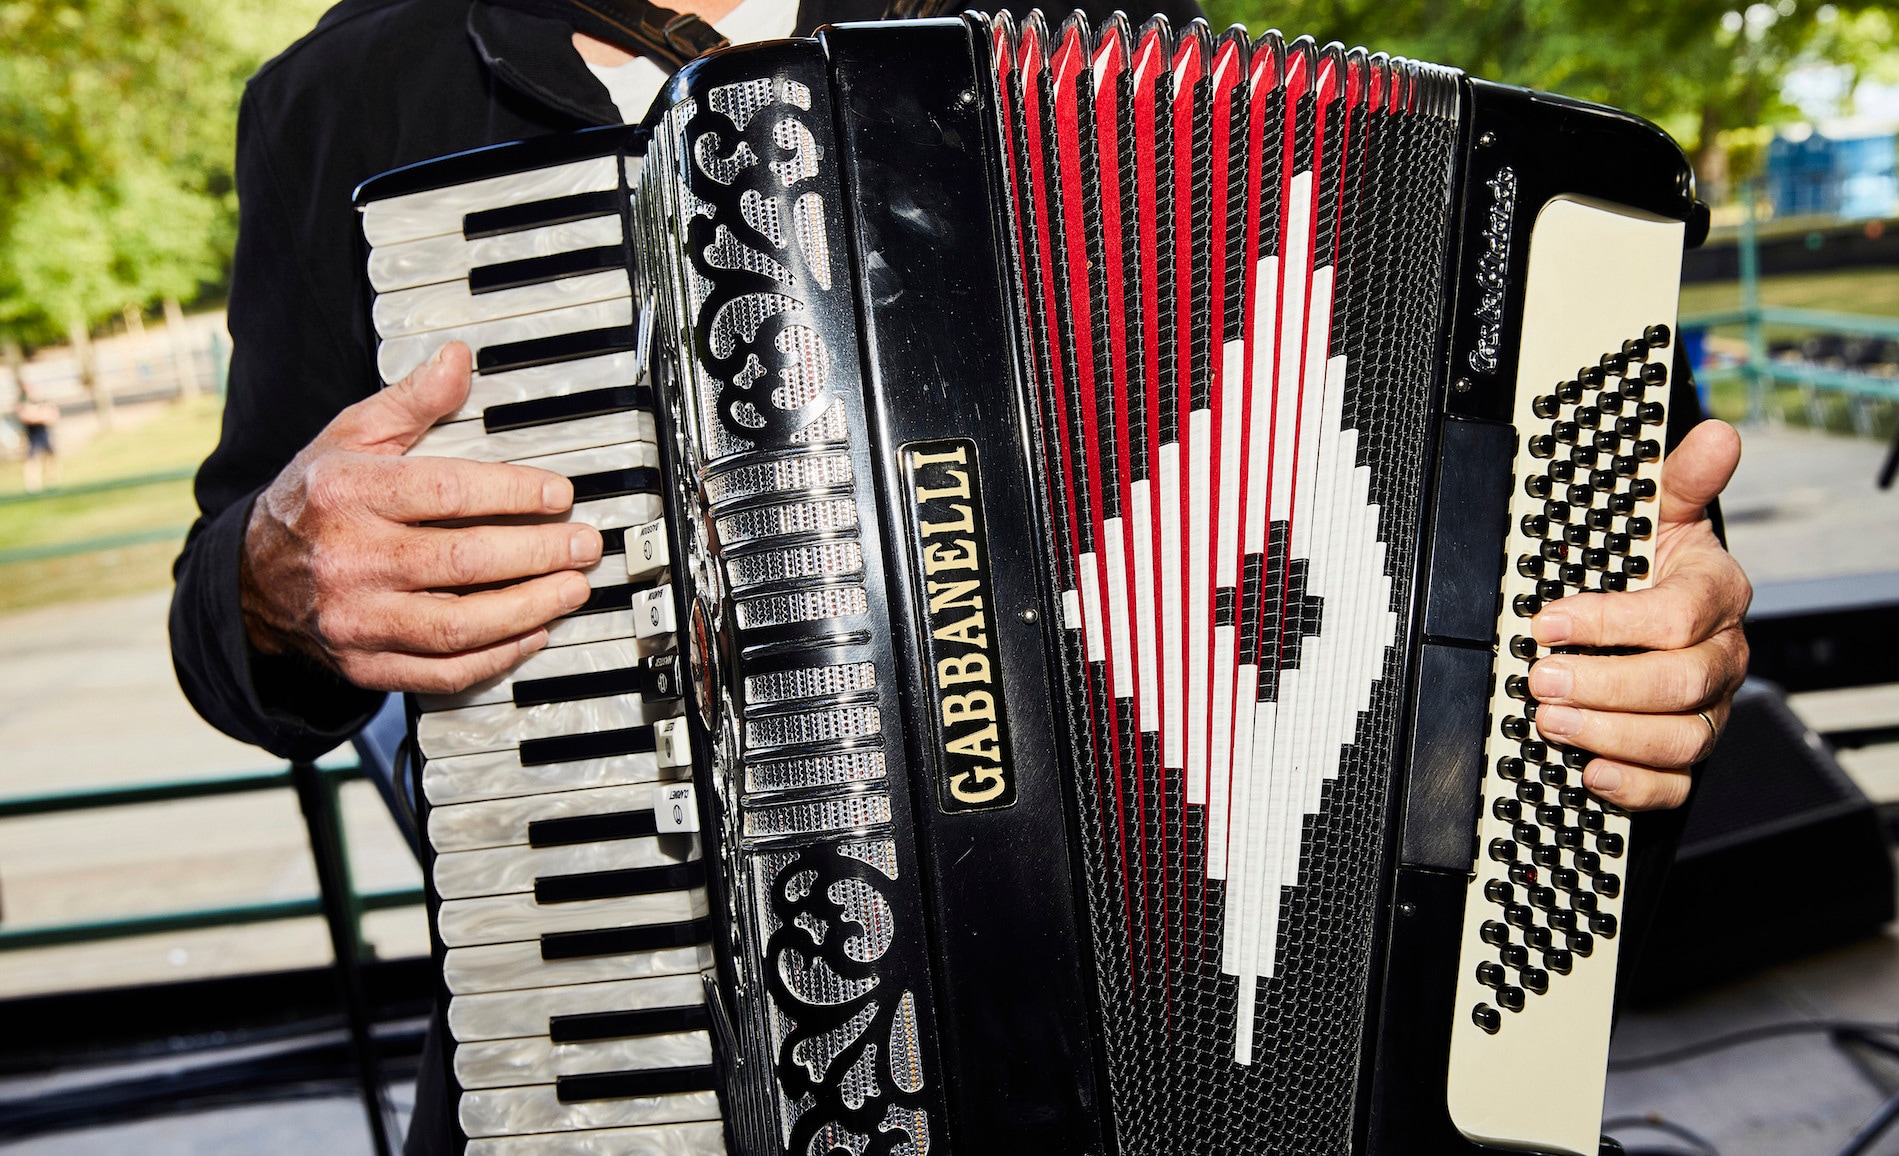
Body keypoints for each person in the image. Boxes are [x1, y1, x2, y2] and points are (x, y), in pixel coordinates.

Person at [167, 0, 1751, 1150]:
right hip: (636, 1047)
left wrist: (1653, 623)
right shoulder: (340, 99)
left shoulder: (1074, 22)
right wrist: (266, 578)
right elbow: (230, 602)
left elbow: (1517, 486)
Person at [13, 382, 59, 493]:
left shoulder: (43, 402)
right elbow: (26, 417)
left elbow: (52, 416)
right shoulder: (23, 404)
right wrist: (39, 416)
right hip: (31, 436)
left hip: (44, 433)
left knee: (50, 457)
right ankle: (33, 485)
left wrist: (38, 415)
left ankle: (52, 482)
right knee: (31, 460)